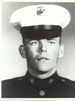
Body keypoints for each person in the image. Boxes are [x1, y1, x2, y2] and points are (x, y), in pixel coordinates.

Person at [2, 4, 75, 98]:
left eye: (51, 42)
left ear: (60, 50)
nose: (43, 48)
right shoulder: (5, 92)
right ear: (23, 51)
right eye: (34, 43)